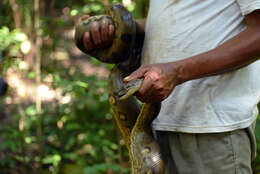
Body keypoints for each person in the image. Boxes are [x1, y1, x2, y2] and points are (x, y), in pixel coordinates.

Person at [80, 0, 260, 173]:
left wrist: (177, 72)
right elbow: (167, 25)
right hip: (158, 126)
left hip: (211, 130)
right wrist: (115, 30)